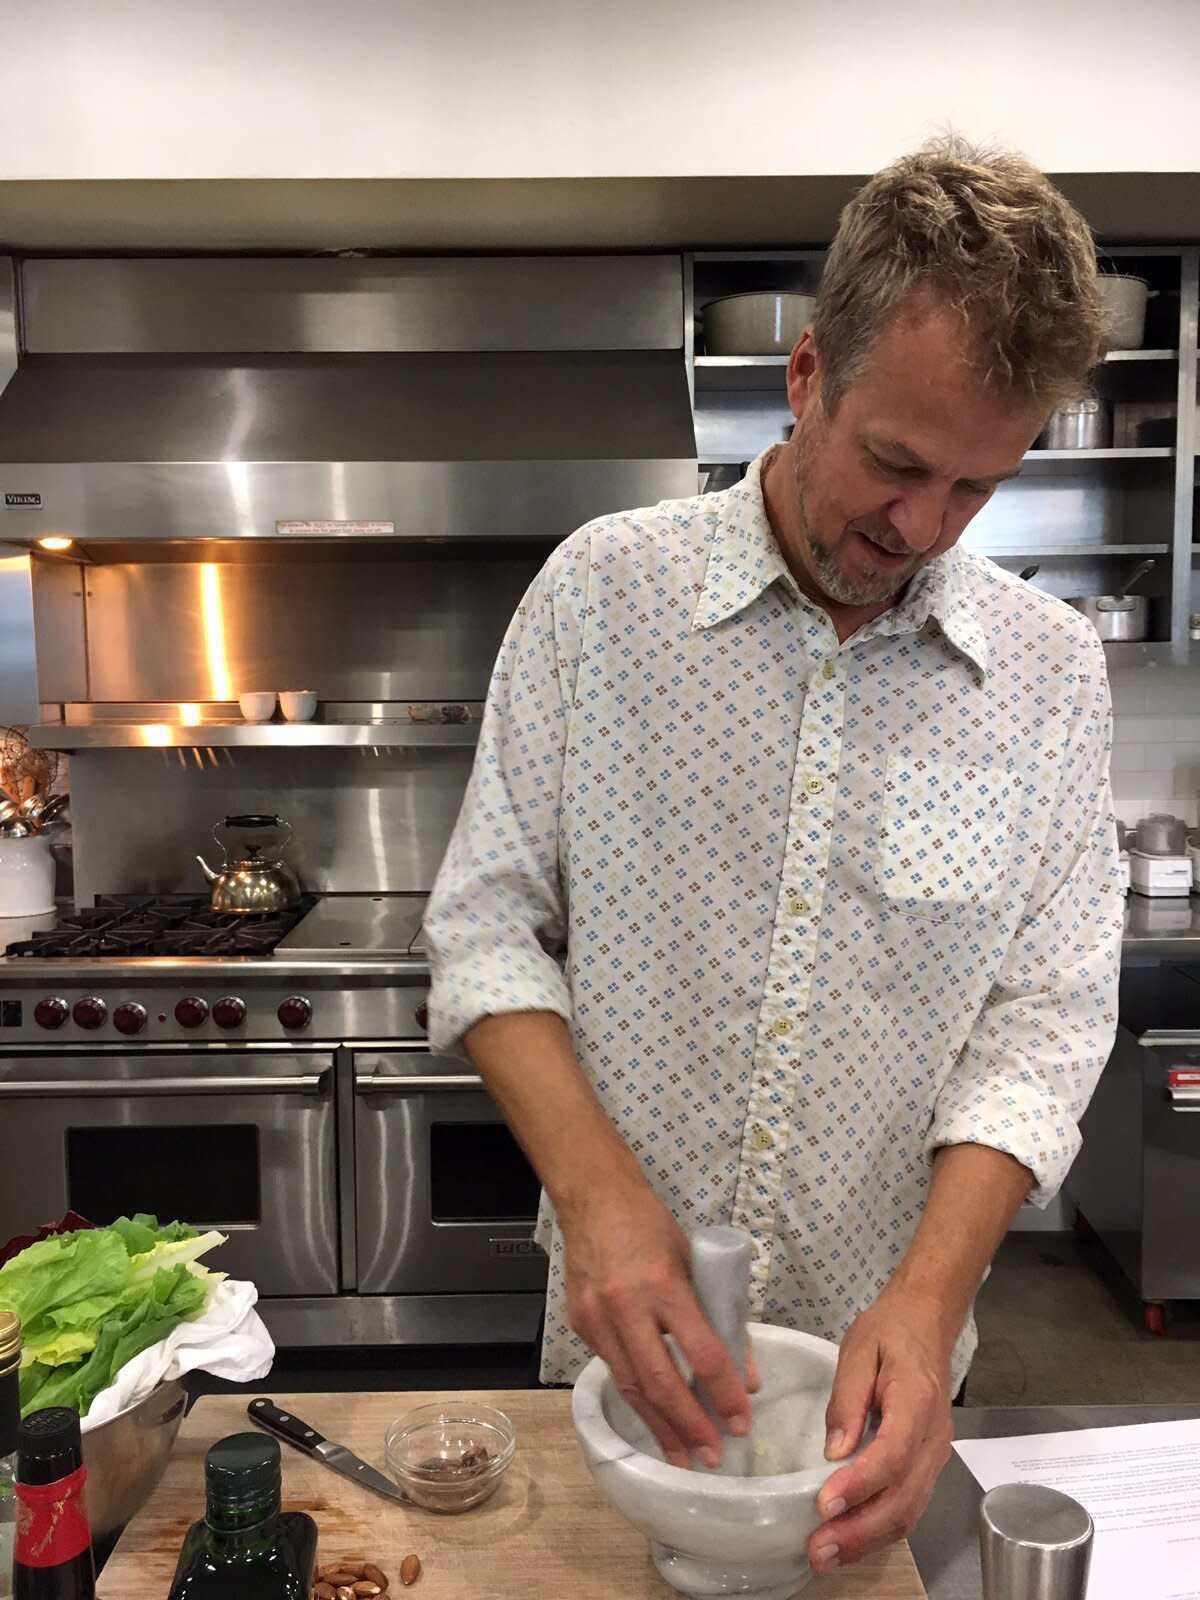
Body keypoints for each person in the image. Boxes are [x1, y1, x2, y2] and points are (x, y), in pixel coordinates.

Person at [424, 136, 1124, 1575]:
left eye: (976, 492)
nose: (921, 530)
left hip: (885, 1387)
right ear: (807, 377)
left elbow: (1046, 1024)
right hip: (626, 1354)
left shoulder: (1049, 675)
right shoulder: (598, 601)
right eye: (896, 463)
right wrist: (599, 1197)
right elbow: (489, 926)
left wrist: (932, 1301)